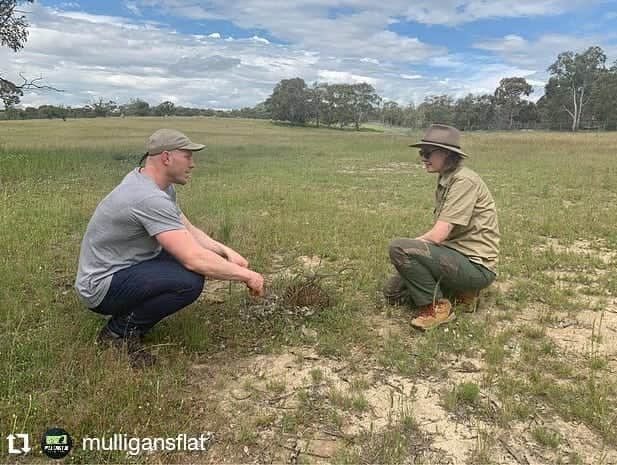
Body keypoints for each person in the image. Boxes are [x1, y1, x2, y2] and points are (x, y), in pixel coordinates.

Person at [75, 128, 264, 366]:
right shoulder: (147, 197)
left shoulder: (155, 185)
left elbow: (188, 230)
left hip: (124, 267)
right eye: (188, 156)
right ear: (166, 157)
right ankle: (118, 333)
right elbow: (193, 258)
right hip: (100, 286)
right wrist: (247, 276)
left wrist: (225, 252)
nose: (192, 164)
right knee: (188, 282)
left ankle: (128, 318)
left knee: (189, 265)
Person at [383, 124, 500, 330]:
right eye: (421, 152)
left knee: (399, 248)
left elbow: (437, 236)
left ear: (446, 154)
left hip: (476, 266)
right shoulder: (447, 178)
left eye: (428, 153)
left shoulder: (464, 181)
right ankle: (463, 294)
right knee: (393, 292)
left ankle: (437, 307)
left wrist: (407, 250)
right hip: (456, 255)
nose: (423, 157)